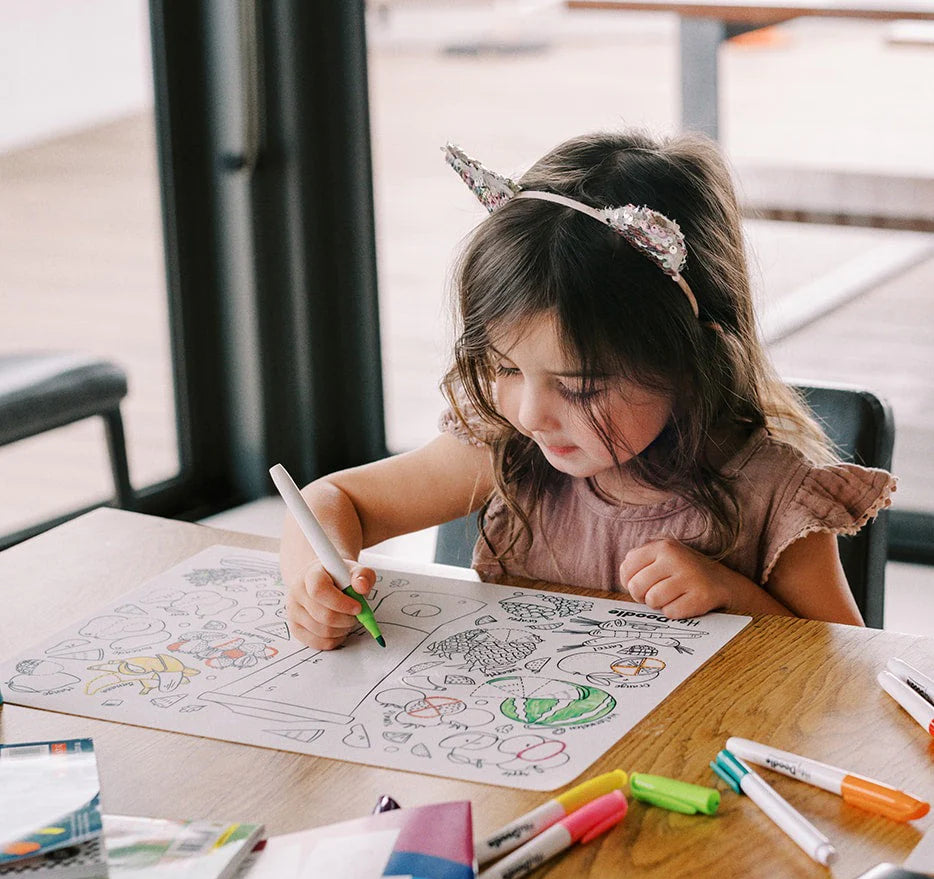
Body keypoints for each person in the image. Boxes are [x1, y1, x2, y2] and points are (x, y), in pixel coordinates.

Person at [280, 130, 895, 650]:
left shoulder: (770, 495)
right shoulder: (504, 446)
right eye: (505, 368)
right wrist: (316, 579)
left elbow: (848, 669)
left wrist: (734, 595)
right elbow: (332, 500)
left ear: (688, 361)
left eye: (578, 387)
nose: (531, 414)